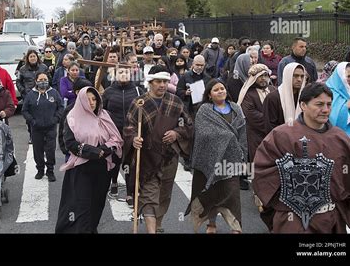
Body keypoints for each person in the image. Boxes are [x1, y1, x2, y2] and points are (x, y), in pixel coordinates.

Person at [253, 83, 350, 233]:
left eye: (329, 104)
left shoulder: (340, 138)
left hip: (331, 220)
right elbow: (262, 172)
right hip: (292, 220)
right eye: (319, 104)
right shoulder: (282, 135)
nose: (325, 110)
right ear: (303, 105)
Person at [123, 66, 193, 233]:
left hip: (169, 158)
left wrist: (177, 133)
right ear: (150, 82)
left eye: (165, 81)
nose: (162, 85)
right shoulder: (139, 103)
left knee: (164, 195)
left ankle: (158, 225)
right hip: (147, 158)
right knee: (148, 195)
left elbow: (188, 124)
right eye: (158, 81)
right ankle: (151, 231)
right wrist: (134, 139)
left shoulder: (175, 101)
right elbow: (129, 127)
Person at [55, 87, 123, 233]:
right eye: (88, 99)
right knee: (81, 206)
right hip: (81, 168)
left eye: (94, 99)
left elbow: (115, 138)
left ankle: (92, 228)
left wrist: (104, 150)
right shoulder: (72, 117)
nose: (91, 102)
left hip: (102, 168)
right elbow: (70, 143)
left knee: (97, 204)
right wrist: (93, 152)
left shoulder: (104, 115)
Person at [186, 79, 247, 234]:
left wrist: (242, 153)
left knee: (233, 194)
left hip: (232, 159)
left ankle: (236, 227)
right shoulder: (205, 111)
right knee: (211, 192)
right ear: (209, 95)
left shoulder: (236, 109)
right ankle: (211, 224)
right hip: (210, 160)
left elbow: (242, 133)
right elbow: (203, 134)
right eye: (216, 89)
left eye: (222, 88)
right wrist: (225, 137)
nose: (220, 91)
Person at [103, 64, 145, 205]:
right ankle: (113, 182)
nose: (123, 75)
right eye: (120, 73)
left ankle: (130, 192)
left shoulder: (138, 91)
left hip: (131, 133)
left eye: (126, 73)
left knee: (130, 162)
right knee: (114, 160)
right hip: (113, 132)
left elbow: (145, 108)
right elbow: (101, 111)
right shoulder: (109, 91)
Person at [22, 72, 64, 181]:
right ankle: (40, 170)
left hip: (51, 127)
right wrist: (32, 121)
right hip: (36, 128)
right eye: (40, 79)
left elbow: (61, 107)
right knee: (38, 151)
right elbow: (25, 110)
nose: (43, 81)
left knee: (50, 150)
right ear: (36, 81)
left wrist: (55, 119)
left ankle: (50, 171)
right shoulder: (31, 94)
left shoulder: (54, 93)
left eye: (45, 79)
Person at [326, 62, 350, 167]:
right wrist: (346, 107)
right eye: (348, 76)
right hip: (341, 138)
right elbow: (331, 117)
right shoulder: (330, 91)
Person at [237, 64, 276, 164]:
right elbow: (251, 114)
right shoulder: (248, 94)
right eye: (260, 76)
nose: (263, 79)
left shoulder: (273, 90)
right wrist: (271, 122)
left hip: (275, 133)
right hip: (256, 134)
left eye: (265, 76)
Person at [263, 63, 307, 134]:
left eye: (302, 76)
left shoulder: (305, 98)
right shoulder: (273, 98)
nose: (299, 79)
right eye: (295, 76)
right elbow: (270, 127)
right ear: (287, 76)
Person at [16, 49, 49, 143]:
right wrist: (23, 91)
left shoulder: (43, 67)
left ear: (37, 57)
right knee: (30, 118)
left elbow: (49, 79)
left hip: (43, 94)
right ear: (27, 58)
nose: (33, 58)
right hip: (29, 96)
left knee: (44, 116)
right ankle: (32, 135)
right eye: (31, 56)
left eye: (34, 56)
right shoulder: (22, 69)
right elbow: (18, 82)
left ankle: (44, 134)